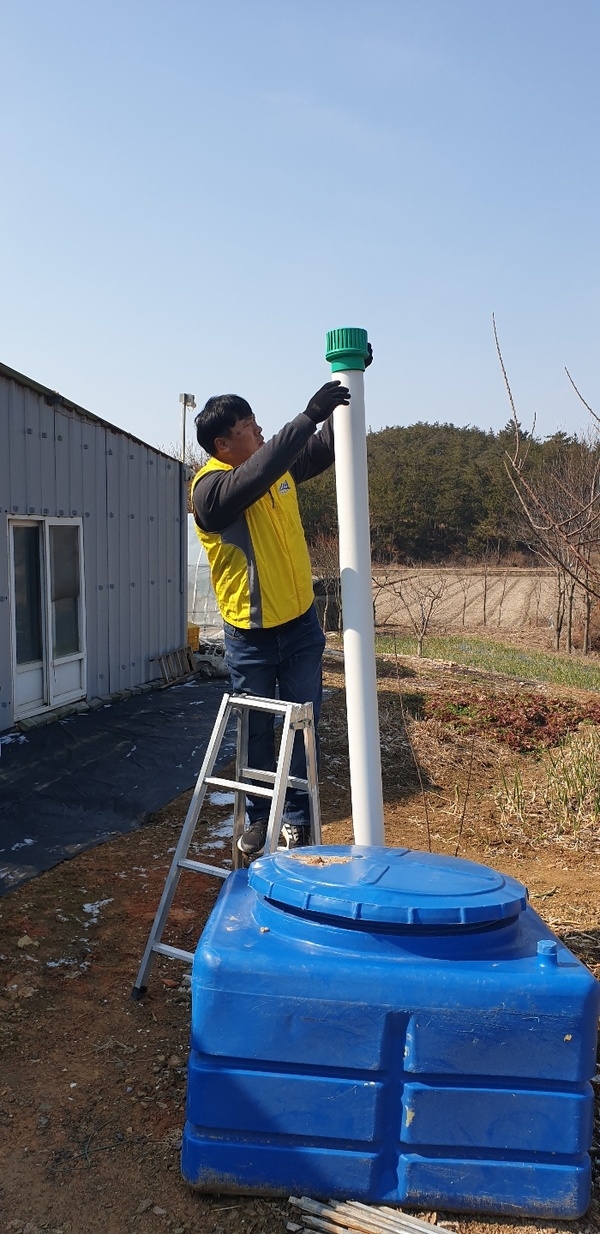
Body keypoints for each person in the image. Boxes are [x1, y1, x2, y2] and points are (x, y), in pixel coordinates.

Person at [191, 378, 350, 857]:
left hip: (300, 627)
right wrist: (307, 416)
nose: (258, 428)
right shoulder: (211, 490)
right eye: (246, 426)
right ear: (223, 444)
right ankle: (261, 819)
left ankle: (296, 820)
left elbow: (317, 451)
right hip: (252, 636)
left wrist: (349, 394)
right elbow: (255, 476)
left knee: (301, 727)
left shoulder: (275, 471)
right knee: (257, 731)